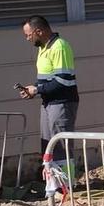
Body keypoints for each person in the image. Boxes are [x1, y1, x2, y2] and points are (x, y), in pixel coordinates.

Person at [17, 15, 78, 145]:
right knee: (48, 146)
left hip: (62, 103)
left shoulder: (59, 47)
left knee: (61, 148)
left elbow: (64, 81)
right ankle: (49, 166)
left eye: (29, 35)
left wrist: (37, 90)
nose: (28, 39)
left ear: (39, 31)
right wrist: (32, 88)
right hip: (48, 102)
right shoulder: (43, 47)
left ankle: (65, 166)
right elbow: (48, 79)